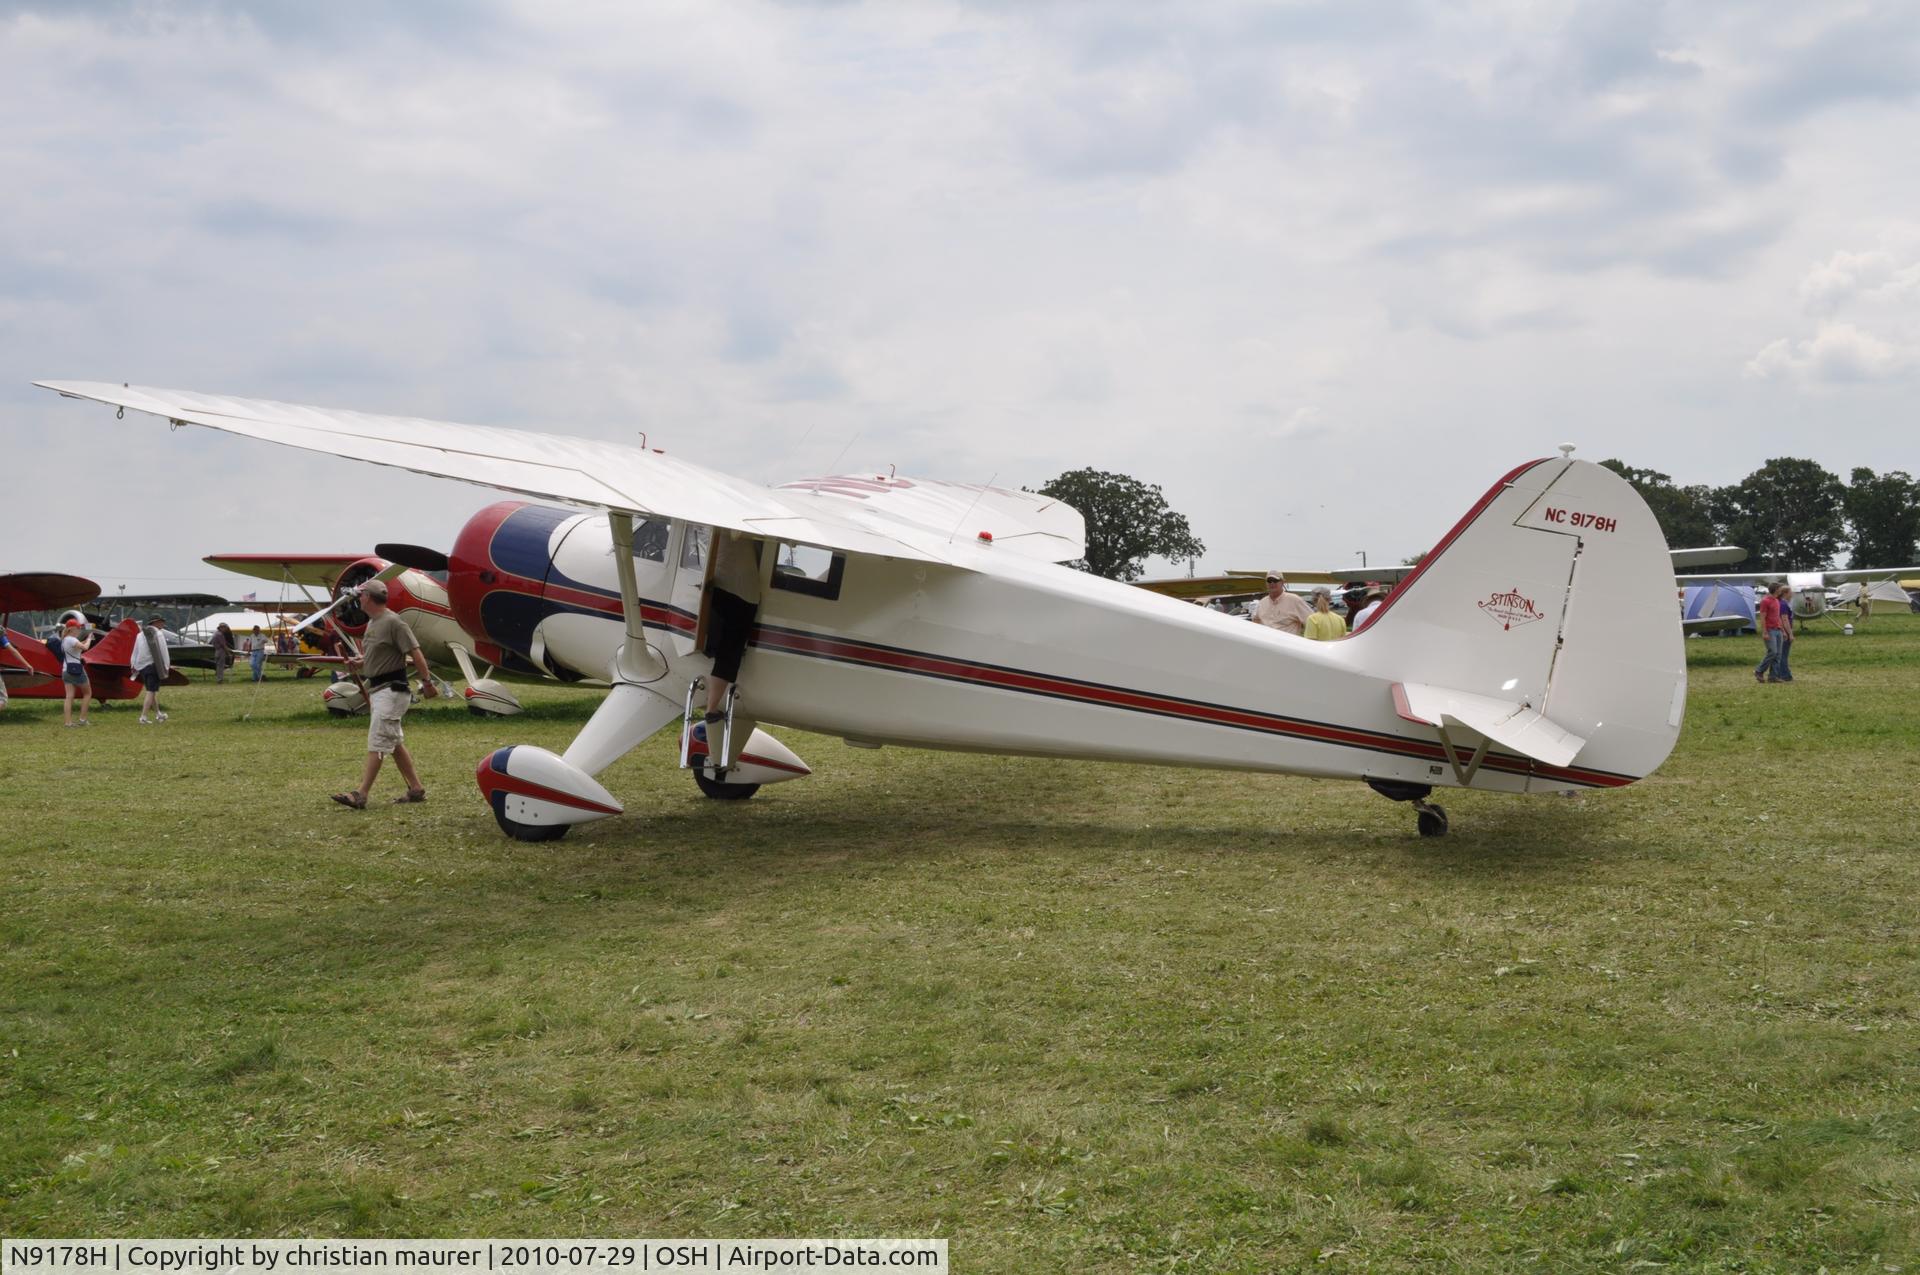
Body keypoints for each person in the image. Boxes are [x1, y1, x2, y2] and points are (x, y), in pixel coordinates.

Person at [331, 581, 438, 809]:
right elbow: (379, 656)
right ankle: (416, 789)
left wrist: (427, 682)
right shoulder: (373, 623)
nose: (358, 599)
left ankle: (361, 794)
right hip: (380, 690)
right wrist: (360, 662)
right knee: (394, 743)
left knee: (378, 743)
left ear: (368, 597)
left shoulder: (393, 622)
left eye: (361, 595)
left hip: (391, 691)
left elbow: (415, 653)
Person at [695, 528, 763, 755]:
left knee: (726, 650)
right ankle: (712, 708)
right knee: (729, 652)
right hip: (742, 590)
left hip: (732, 586)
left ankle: (712, 708)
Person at [129, 614, 172, 724]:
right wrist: (167, 665)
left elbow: (135, 651)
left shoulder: (140, 635)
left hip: (142, 666)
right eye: (160, 621)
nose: (162, 623)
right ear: (155, 623)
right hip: (153, 665)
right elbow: (163, 651)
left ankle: (158, 714)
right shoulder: (158, 634)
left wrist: (133, 664)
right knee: (151, 691)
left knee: (151, 690)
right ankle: (143, 717)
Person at [1251, 570, 1312, 636]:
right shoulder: (1262, 603)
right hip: (1265, 644)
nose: (1272, 583)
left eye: (1275, 580)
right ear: (1266, 583)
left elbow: (1312, 622)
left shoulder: (1295, 600)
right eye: (1269, 581)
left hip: (1287, 644)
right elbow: (1255, 623)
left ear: (1282, 582)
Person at [60, 617, 93, 727]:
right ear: (73, 629)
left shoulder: (65, 640)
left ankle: (68, 722)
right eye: (78, 629)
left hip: (65, 670)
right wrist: (89, 639)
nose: (79, 631)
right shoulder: (72, 640)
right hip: (77, 669)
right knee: (88, 693)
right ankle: (83, 719)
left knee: (69, 696)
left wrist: (85, 640)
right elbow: (84, 648)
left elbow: (77, 646)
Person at [1754, 582, 1789, 682]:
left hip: (1778, 630)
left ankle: (1773, 676)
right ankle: (1759, 671)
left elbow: (1777, 617)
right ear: (1776, 589)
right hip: (1770, 630)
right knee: (1773, 652)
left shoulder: (1777, 601)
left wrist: (1783, 631)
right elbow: (1762, 617)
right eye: (1780, 589)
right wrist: (1764, 632)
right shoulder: (1765, 601)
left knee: (1778, 654)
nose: (1781, 590)